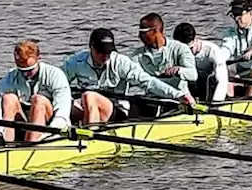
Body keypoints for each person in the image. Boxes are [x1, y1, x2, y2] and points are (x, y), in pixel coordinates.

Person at [62, 28, 195, 124]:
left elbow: (148, 82)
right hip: (89, 108)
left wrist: (178, 95)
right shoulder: (75, 62)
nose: (105, 56)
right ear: (91, 47)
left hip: (116, 110)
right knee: (56, 103)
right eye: (101, 52)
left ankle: (89, 137)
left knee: (88, 95)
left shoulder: (121, 62)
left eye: (108, 52)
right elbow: (57, 84)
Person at [0, 40, 73, 143]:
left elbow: (62, 114)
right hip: (24, 121)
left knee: (38, 100)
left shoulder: (55, 75)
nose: (26, 75)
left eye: (30, 70)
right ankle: (5, 144)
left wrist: (48, 134)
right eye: (22, 71)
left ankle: (32, 142)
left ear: (38, 58)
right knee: (8, 98)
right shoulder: (11, 77)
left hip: (48, 124)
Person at [130, 12, 197, 115]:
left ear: (156, 30)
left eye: (143, 32)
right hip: (152, 99)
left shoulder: (180, 49)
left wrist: (179, 70)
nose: (139, 36)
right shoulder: (137, 55)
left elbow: (193, 75)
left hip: (179, 100)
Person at [173, 22, 229, 103]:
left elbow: (222, 81)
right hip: (193, 85)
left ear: (195, 39)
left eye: (190, 49)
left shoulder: (212, 50)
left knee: (211, 78)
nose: (187, 53)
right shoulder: (177, 51)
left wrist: (216, 103)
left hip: (211, 85)